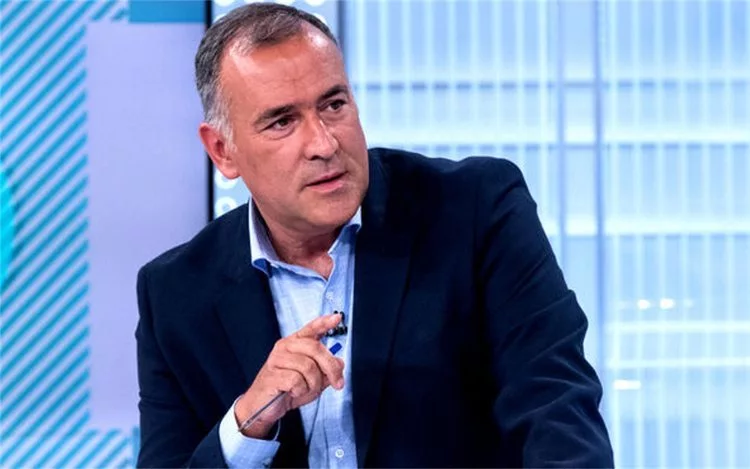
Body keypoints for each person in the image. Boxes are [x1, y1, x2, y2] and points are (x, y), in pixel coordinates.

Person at [135, 3, 613, 468]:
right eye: (282, 121)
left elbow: (557, 407)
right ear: (223, 151)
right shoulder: (175, 294)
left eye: (333, 104)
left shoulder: (476, 211)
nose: (324, 143)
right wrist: (247, 424)